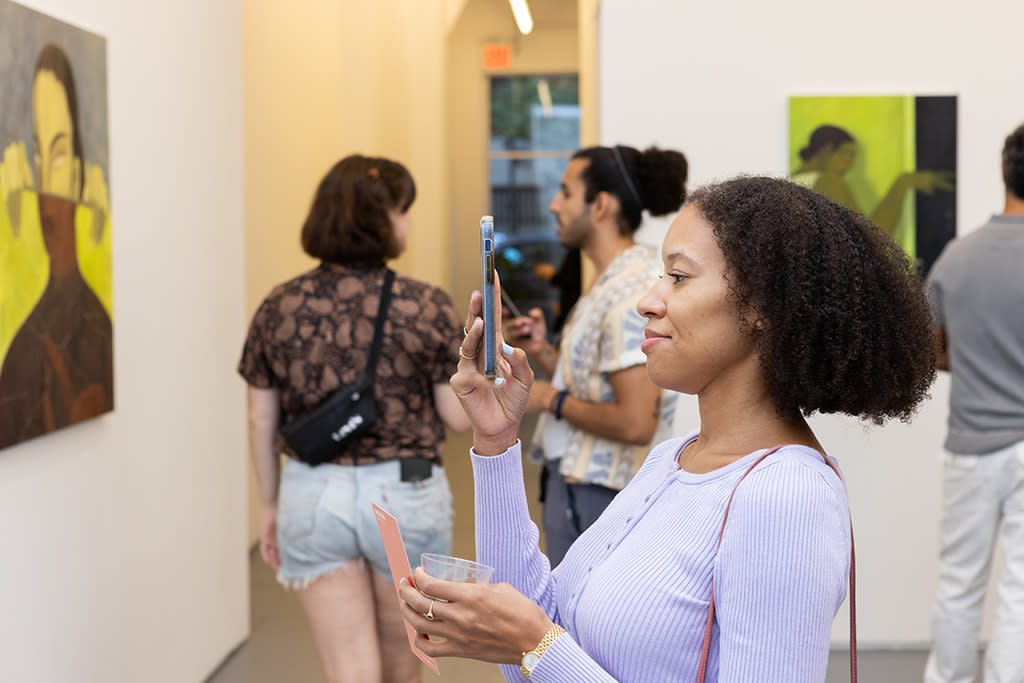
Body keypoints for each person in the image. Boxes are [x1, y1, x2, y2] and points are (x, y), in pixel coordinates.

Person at [398, 176, 937, 681]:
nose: (647, 300)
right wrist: (496, 441)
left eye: (678, 277)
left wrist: (537, 645)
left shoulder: (784, 495)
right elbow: (528, 647)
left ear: (763, 310)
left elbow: (536, 646)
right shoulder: (671, 460)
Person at [238, 154, 469, 683]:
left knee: (348, 668)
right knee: (401, 661)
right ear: (383, 219)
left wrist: (269, 505)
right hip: (403, 498)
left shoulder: (280, 306)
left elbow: (259, 422)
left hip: (312, 496)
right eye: (404, 211)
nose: (408, 222)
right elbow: (457, 418)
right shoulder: (424, 305)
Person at [506, 144, 688, 566]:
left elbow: (634, 422)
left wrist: (548, 398)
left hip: (599, 497)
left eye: (566, 192)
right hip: (579, 488)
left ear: (600, 205)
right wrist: (544, 353)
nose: (554, 205)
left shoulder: (630, 293)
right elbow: (596, 383)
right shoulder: (612, 281)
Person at [923, 123, 1024, 683]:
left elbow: (936, 351)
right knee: (1021, 594)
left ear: (1004, 171)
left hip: (971, 444)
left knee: (959, 583)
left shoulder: (957, 259)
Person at [0, 44, 113, 449]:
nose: (46, 183)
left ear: (81, 175)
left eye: (60, 154)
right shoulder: (17, 355)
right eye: (39, 153)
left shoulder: (101, 334)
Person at [792, 123, 954, 239]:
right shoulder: (827, 181)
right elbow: (872, 235)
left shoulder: (792, 182)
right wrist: (903, 182)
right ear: (827, 150)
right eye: (847, 154)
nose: (852, 163)